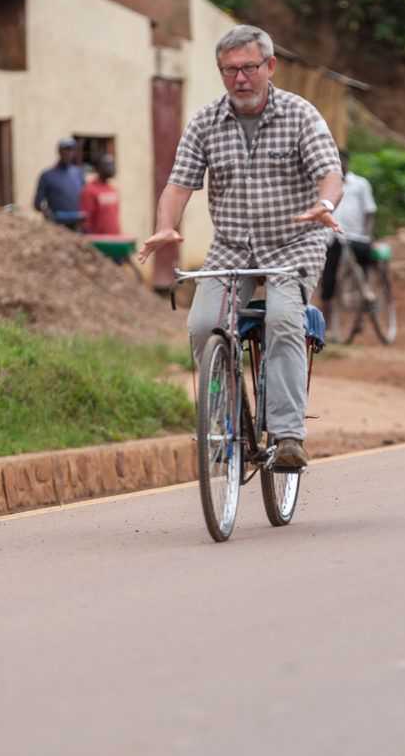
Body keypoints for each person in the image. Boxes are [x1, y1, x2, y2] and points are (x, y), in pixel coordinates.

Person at [139, 24, 343, 468]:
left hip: (294, 242)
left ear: (270, 66)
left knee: (283, 319)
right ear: (220, 72)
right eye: (230, 70)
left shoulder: (300, 114)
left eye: (249, 68)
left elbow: (330, 173)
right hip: (232, 246)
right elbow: (178, 185)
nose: (241, 79)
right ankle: (226, 419)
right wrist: (165, 226)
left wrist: (324, 204)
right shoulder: (205, 122)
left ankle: (288, 435)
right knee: (202, 325)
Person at [321, 147, 377, 323]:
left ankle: (366, 289)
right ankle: (328, 322)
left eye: (341, 161)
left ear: (347, 162)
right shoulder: (324, 185)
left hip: (355, 235)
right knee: (328, 278)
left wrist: (367, 233)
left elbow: (369, 211)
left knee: (366, 257)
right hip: (332, 238)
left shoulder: (360, 184)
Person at [34, 138, 85, 228]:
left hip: (77, 224)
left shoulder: (78, 173)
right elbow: (37, 203)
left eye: (70, 150)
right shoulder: (47, 175)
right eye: (64, 150)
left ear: (74, 153)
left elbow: (86, 196)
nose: (67, 153)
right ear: (59, 152)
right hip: (57, 225)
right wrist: (47, 212)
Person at [79, 154, 121, 235]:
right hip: (99, 240)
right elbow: (86, 223)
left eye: (113, 164)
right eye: (109, 165)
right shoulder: (89, 190)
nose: (113, 167)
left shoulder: (113, 190)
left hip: (115, 239)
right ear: (99, 168)